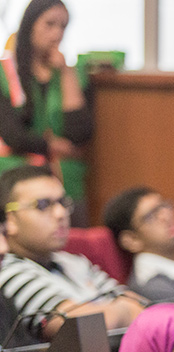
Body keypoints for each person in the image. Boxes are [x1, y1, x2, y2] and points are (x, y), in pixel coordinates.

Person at [0, 165, 143, 341]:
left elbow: (143, 307)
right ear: (10, 219)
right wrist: (124, 309)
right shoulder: (7, 270)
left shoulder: (74, 262)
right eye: (43, 205)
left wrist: (117, 312)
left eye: (62, 202)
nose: (61, 213)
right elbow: (78, 328)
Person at [0, 0, 93, 226]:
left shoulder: (75, 74)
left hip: (65, 178)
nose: (57, 34)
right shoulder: (5, 72)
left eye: (63, 26)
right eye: (49, 24)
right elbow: (13, 135)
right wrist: (50, 146)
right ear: (29, 25)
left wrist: (66, 74)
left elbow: (79, 133)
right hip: (16, 173)